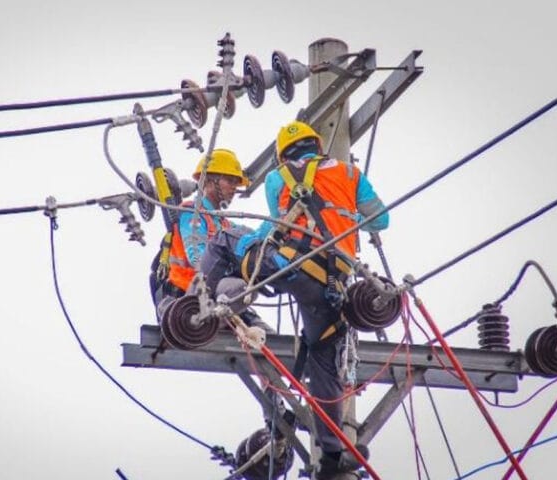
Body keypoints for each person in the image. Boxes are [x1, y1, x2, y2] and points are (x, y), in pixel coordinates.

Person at [199, 121, 389, 478]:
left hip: (290, 267)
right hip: (333, 283)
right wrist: (342, 218)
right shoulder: (350, 173)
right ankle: (333, 458)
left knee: (223, 241)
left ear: (284, 154)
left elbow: (275, 228)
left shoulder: (279, 177)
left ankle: (206, 306)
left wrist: (246, 242)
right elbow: (381, 221)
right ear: (316, 145)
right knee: (323, 362)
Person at [150, 148, 269, 330]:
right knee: (243, 289)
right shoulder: (192, 214)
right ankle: (201, 324)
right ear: (210, 181)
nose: (233, 189)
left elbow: (253, 237)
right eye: (230, 181)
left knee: (268, 336)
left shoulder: (225, 224)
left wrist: (276, 229)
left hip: (217, 295)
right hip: (190, 295)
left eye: (236, 184)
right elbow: (197, 258)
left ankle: (218, 321)